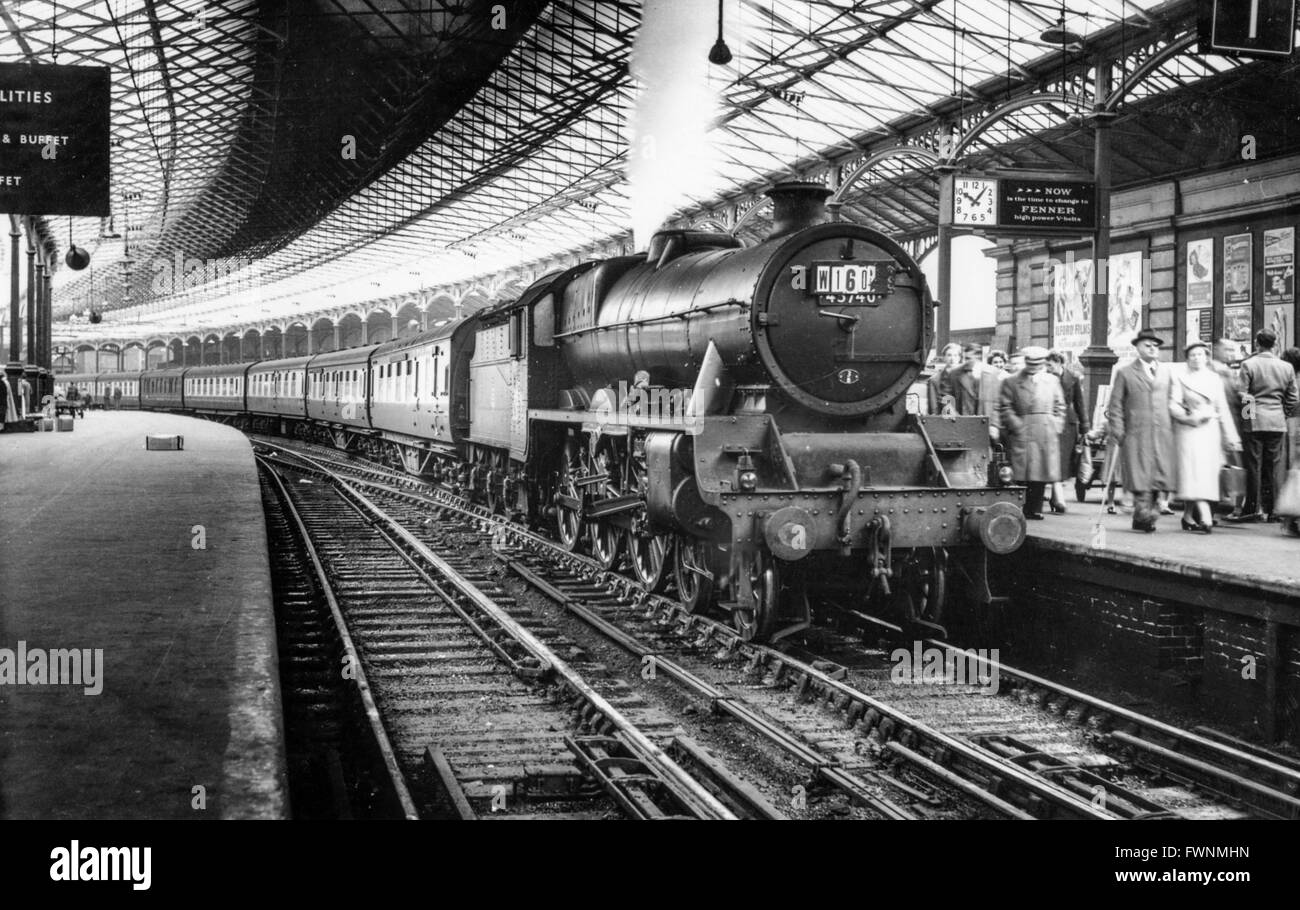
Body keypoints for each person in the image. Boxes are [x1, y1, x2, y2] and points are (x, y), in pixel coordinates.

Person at [1106, 328, 1175, 532]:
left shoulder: (1166, 372)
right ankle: (1145, 514)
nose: (1153, 348)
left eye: (1156, 345)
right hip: (1136, 434)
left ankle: (1142, 515)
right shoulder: (1125, 373)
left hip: (1162, 433)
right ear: (1137, 347)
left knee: (1158, 476)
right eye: (1147, 345)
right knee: (1140, 475)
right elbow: (1115, 405)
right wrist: (1118, 430)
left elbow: (1173, 399)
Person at [1169, 341, 1241, 533]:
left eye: (1200, 354)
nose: (1196, 358)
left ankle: (1187, 516)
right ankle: (1206, 516)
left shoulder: (1214, 378)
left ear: (1207, 357)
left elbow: (1223, 408)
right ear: (1187, 358)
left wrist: (1232, 436)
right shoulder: (1180, 377)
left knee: (1204, 474)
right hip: (1189, 430)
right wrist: (1189, 417)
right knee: (1194, 472)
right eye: (1192, 355)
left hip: (1210, 431)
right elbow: (1173, 405)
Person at [1231, 330, 1300, 522]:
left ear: (1256, 343)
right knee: (1273, 466)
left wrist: (1249, 418)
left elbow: (1243, 395)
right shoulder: (1286, 367)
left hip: (1254, 421)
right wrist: (1282, 413)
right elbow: (1293, 399)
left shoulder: (1248, 364)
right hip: (1277, 422)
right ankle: (1273, 510)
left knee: (1254, 466)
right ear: (1274, 344)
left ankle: (1252, 508)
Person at [998, 346, 1065, 519]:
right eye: (1030, 363)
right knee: (1021, 472)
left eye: (1037, 363)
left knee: (1041, 472)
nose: (1033, 367)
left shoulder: (1052, 381)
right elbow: (1005, 406)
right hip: (1024, 431)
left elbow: (1060, 405)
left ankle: (1035, 509)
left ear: (1043, 363)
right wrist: (1017, 426)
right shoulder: (1012, 381)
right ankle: (1019, 507)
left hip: (1045, 431)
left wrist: (1056, 425)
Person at [1046, 351, 1089, 513]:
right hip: (1051, 423)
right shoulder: (1046, 378)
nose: (1047, 368)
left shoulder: (1073, 378)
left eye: (1050, 365)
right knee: (1055, 461)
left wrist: (1085, 426)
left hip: (1068, 426)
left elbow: (1080, 403)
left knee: (1063, 462)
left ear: (1058, 362)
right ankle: (1059, 498)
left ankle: (1056, 497)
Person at [952, 343, 1003, 438]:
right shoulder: (956, 373)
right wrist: (955, 418)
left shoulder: (993, 373)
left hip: (986, 425)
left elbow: (998, 403)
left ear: (979, 357)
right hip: (963, 425)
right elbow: (949, 398)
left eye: (970, 358)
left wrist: (995, 425)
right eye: (965, 358)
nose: (967, 362)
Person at [927, 342, 962, 414]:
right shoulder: (934, 380)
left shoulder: (966, 377)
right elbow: (934, 408)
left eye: (955, 355)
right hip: (943, 418)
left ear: (959, 358)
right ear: (944, 358)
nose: (952, 359)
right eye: (949, 355)